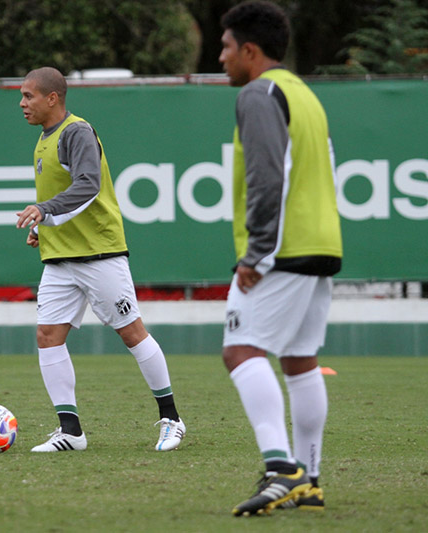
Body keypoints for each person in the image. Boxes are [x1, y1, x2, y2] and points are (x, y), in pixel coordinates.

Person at [16, 67, 184, 453]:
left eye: (29, 96)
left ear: (52, 98)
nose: (22, 104)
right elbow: (64, 197)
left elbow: (88, 185)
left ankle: (172, 419)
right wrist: (44, 225)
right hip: (59, 258)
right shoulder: (44, 140)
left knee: (131, 332)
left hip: (99, 253)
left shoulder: (77, 132)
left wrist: (44, 209)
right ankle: (71, 431)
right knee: (47, 337)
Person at [218, 1, 343, 517]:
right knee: (299, 361)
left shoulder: (258, 92)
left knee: (240, 351)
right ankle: (309, 478)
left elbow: (269, 177)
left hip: (282, 250)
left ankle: (281, 468)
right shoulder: (304, 94)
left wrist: (257, 253)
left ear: (250, 50)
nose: (221, 57)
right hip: (320, 245)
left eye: (225, 47)